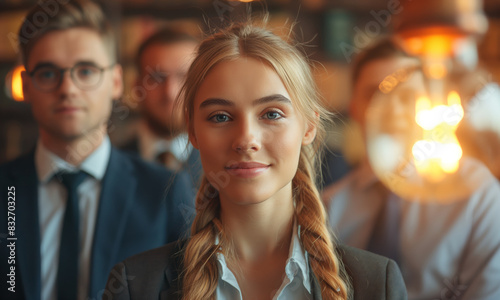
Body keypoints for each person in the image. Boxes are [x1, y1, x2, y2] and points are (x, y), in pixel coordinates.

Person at [103, 23, 407, 300]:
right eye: (220, 117)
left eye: (272, 114)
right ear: (192, 131)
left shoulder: (377, 283)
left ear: (309, 126)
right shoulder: (135, 285)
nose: (246, 139)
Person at [0, 1, 194, 300]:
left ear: (116, 81)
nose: (68, 88)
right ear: (25, 85)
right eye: (49, 73)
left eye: (86, 71)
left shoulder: (165, 191)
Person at [322, 38, 500, 299]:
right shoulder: (329, 208)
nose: (391, 107)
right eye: (374, 94)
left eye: (404, 94)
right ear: (354, 108)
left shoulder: (477, 192)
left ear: (425, 103)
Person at [121, 27, 202, 185]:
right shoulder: (112, 166)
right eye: (157, 78)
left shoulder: (224, 166)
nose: (171, 92)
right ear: (137, 87)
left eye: (184, 77)